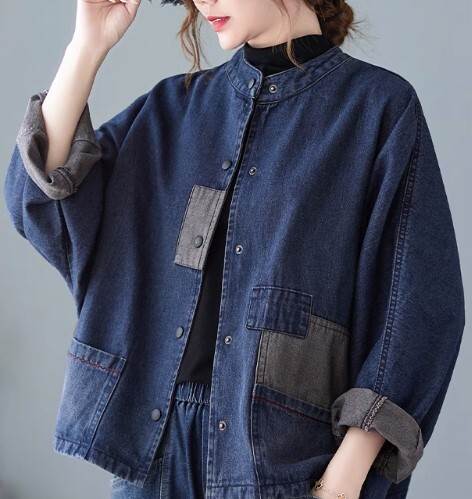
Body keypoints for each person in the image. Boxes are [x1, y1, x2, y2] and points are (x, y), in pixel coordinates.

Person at [3, 0, 465, 498]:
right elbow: (44, 201)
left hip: (289, 465)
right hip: (154, 458)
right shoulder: (173, 109)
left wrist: (345, 475)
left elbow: (416, 307)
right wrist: (87, 45)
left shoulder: (376, 108)